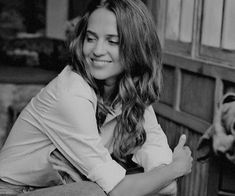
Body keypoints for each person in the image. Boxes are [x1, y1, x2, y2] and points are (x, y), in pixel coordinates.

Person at [0, 0, 193, 195]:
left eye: (112, 41)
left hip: (55, 189)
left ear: (136, 47)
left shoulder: (131, 93)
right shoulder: (71, 94)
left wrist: (165, 173)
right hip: (12, 191)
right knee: (95, 192)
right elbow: (118, 190)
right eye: (91, 39)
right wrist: (177, 168)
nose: (98, 51)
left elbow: (164, 176)